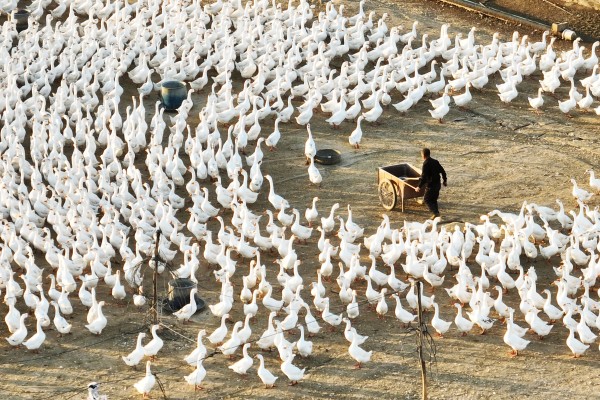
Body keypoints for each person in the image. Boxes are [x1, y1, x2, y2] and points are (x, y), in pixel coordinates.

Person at [415, 148, 447, 218]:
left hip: (431, 186)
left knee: (427, 199)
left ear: (423, 155)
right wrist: (444, 180)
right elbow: (443, 171)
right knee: (434, 200)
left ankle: (435, 213)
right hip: (438, 184)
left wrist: (419, 186)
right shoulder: (435, 161)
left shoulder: (425, 164)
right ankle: (437, 214)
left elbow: (423, 177)